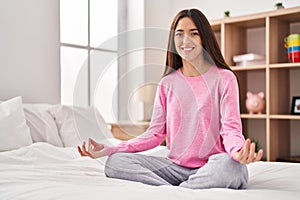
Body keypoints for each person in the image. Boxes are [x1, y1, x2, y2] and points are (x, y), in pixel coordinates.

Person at [78, 8, 263, 189]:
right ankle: (176, 190)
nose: (185, 40)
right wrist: (110, 149)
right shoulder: (167, 83)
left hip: (212, 166)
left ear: (204, 38)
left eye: (194, 33)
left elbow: (231, 128)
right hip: (174, 168)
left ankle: (180, 191)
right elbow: (155, 134)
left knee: (232, 168)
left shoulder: (224, 78)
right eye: (179, 34)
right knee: (115, 163)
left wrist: (237, 152)